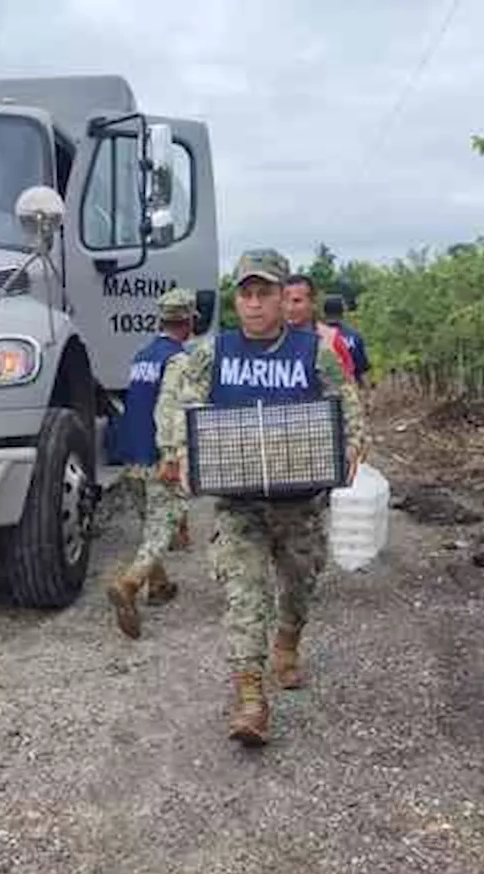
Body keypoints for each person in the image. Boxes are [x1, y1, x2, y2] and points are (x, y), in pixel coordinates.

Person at [157, 249, 366, 746]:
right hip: (240, 502)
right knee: (244, 593)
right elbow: (178, 397)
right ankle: (250, 699)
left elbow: (346, 397)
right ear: (238, 300)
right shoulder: (215, 352)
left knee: (298, 584)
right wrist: (176, 449)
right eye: (246, 294)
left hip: (301, 499)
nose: (254, 304)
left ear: (281, 298)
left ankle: (288, 641)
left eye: (265, 293)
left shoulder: (310, 351)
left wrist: (353, 442)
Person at [106, 287, 197, 639]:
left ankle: (159, 586)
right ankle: (128, 584)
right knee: (164, 527)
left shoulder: (142, 356)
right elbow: (169, 410)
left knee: (150, 524)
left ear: (161, 319)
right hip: (158, 454)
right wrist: (172, 454)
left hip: (131, 453)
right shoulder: (178, 360)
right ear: (188, 321)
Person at [282, 274, 356, 381]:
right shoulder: (270, 339)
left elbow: (348, 383)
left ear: (313, 303)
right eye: (285, 301)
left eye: (297, 301)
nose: (290, 308)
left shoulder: (331, 339)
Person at [322, 294, 371, 387]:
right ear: (343, 311)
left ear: (324, 312)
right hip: (350, 386)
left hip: (322, 390)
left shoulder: (314, 334)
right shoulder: (353, 335)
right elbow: (363, 368)